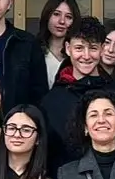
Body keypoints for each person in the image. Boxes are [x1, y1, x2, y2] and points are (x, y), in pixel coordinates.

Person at [38, 17, 109, 162]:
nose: (86, 56)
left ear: (102, 49)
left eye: (93, 48)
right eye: (79, 48)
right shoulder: (51, 101)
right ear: (67, 48)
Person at [35, 0, 79, 88]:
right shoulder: (33, 50)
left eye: (68, 17)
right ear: (47, 16)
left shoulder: (78, 54)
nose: (62, 21)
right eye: (56, 14)